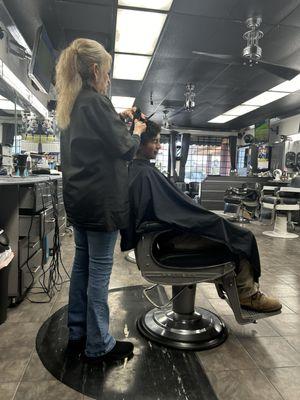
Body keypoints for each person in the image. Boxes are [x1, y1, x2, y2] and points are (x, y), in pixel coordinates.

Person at [120, 121, 282, 313]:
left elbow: (164, 207)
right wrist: (196, 217)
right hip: (170, 238)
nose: (159, 146)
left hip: (169, 234)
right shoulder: (143, 174)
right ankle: (247, 295)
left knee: (229, 231)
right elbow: (162, 211)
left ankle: (244, 290)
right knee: (241, 239)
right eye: (154, 142)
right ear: (140, 144)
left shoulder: (140, 171)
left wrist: (193, 214)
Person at [56, 38, 146, 364]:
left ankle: (77, 334)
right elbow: (125, 148)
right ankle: (99, 345)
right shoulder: (96, 102)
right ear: (95, 70)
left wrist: (117, 119)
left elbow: (99, 141)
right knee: (98, 276)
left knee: (82, 270)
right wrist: (135, 129)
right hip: (100, 205)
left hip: (80, 203)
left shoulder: (73, 103)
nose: (108, 79)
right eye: (107, 73)